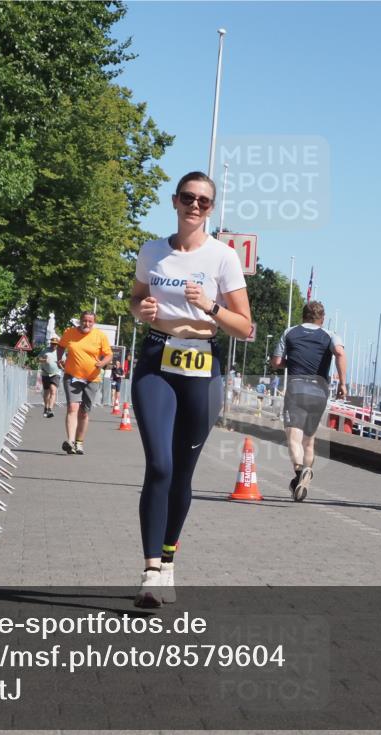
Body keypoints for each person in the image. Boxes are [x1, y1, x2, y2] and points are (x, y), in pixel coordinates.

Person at [129, 171, 252, 608]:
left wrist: (211, 306)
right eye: (188, 198)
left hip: (203, 365)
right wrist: (141, 310)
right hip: (156, 359)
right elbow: (135, 298)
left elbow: (245, 326)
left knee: (182, 471)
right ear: (175, 201)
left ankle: (168, 560)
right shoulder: (152, 251)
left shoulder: (223, 257)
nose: (194, 206)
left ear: (211, 209)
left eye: (203, 201)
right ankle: (149, 572)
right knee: (159, 464)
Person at [270, 301, 347, 502]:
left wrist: (292, 361)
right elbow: (339, 353)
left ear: (303, 316)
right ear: (322, 319)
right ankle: (304, 479)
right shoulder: (330, 335)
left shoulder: (290, 332)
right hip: (319, 392)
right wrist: (342, 384)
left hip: (296, 389)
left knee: (293, 438)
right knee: (309, 441)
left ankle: (300, 473)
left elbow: (276, 362)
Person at [58, 311, 112, 455]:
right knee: (72, 407)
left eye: (90, 321)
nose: (86, 324)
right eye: (84, 320)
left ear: (94, 322)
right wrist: (59, 359)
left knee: (83, 412)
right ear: (80, 321)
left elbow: (109, 354)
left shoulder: (100, 336)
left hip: (92, 379)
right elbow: (61, 346)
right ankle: (70, 441)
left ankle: (79, 442)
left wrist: (102, 363)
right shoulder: (69, 332)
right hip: (72, 376)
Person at [38, 336, 62, 418]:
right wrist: (44, 360)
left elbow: (64, 361)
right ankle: (46, 407)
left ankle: (50, 409)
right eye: (52, 344)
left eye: (55, 344)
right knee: (46, 392)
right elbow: (38, 359)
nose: (54, 345)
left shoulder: (60, 352)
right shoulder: (45, 350)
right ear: (50, 344)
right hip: (45, 373)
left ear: (57, 345)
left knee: (53, 390)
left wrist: (62, 364)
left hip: (56, 373)